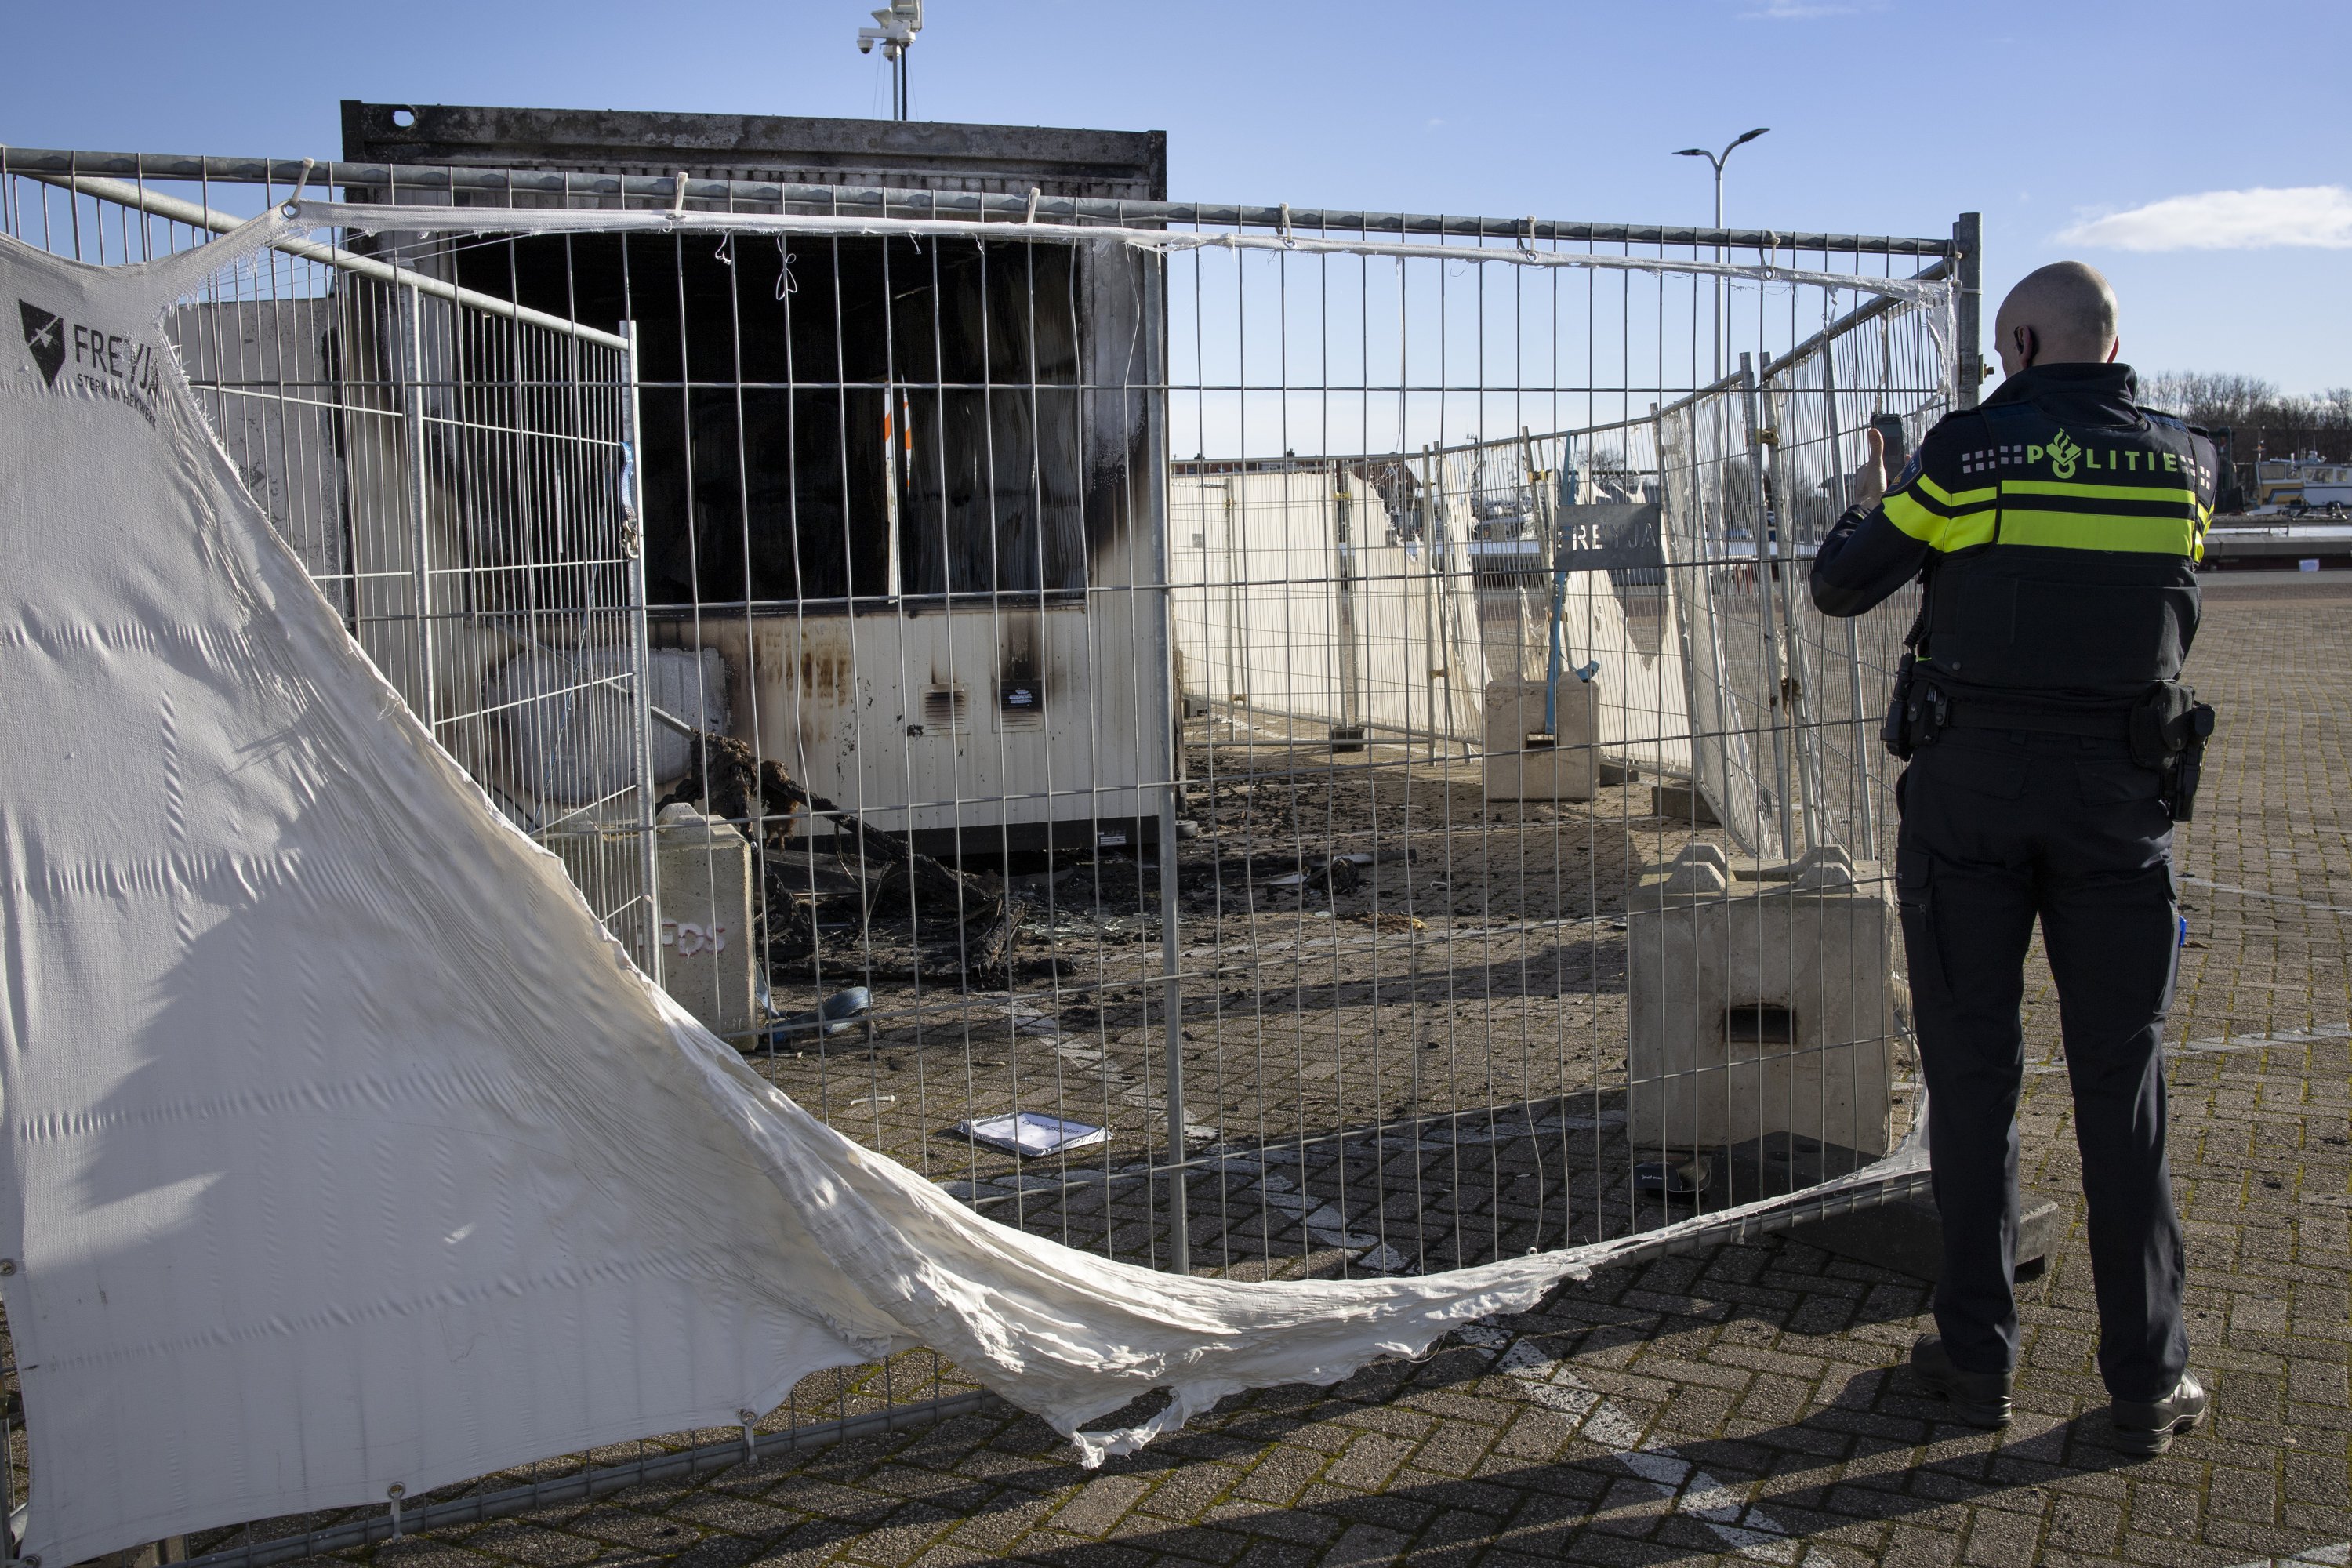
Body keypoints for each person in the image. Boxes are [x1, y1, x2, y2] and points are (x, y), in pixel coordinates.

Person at [1810, 261, 2216, 1455]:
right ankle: (2149, 1379)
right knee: (2121, 1092)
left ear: (2028, 345)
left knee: (1975, 1082)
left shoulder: (1973, 453)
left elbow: (1844, 583)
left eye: (2001, 353)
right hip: (2119, 807)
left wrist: (1871, 492)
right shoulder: (2187, 463)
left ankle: (1976, 1360)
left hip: (1974, 802)